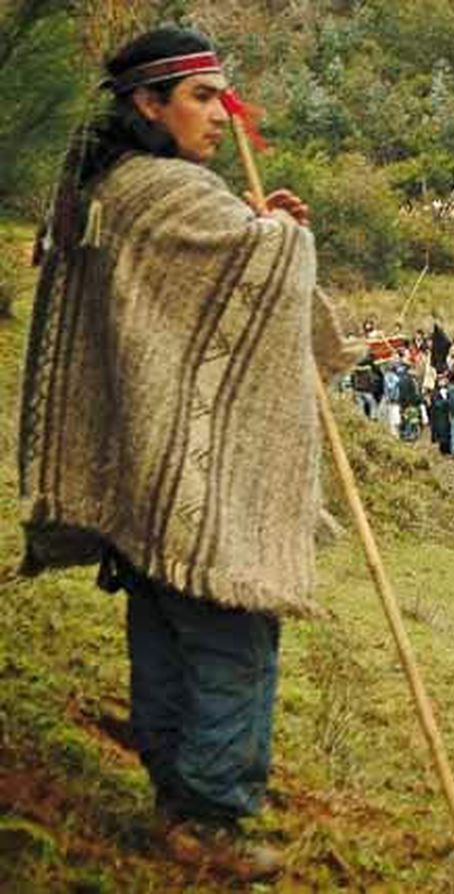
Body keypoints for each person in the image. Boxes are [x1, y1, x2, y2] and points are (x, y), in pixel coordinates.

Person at [16, 26, 363, 879]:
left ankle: (174, 799)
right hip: (201, 486)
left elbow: (219, 279)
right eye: (201, 98)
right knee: (231, 646)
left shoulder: (118, 190)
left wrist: (259, 231)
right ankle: (209, 815)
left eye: (221, 99)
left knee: (165, 636)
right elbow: (262, 275)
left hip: (150, 472)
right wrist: (280, 238)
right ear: (148, 102)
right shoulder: (167, 193)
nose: (220, 117)